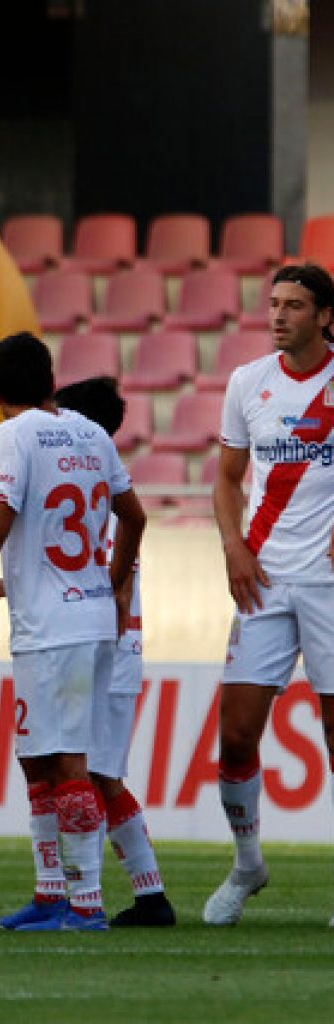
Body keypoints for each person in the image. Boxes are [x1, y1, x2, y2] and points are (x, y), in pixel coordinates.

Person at [0, 332, 145, 932]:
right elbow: (134, 514)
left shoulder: (12, 435)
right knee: (39, 759)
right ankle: (50, 894)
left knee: (64, 763)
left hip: (52, 628)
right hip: (85, 620)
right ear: (48, 377)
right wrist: (113, 585)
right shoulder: (91, 434)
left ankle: (86, 904)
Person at [0, 375, 174, 929]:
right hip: (102, 638)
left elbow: (75, 564)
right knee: (72, 769)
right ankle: (78, 892)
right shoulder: (97, 492)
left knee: (95, 774)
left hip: (102, 645)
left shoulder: (80, 479)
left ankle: (127, 894)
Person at [204, 262, 334, 926]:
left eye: (295, 305)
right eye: (274, 303)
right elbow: (227, 477)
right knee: (235, 735)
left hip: (331, 588)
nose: (279, 315)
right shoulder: (247, 382)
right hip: (263, 579)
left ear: (324, 316)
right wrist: (233, 546)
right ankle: (248, 863)